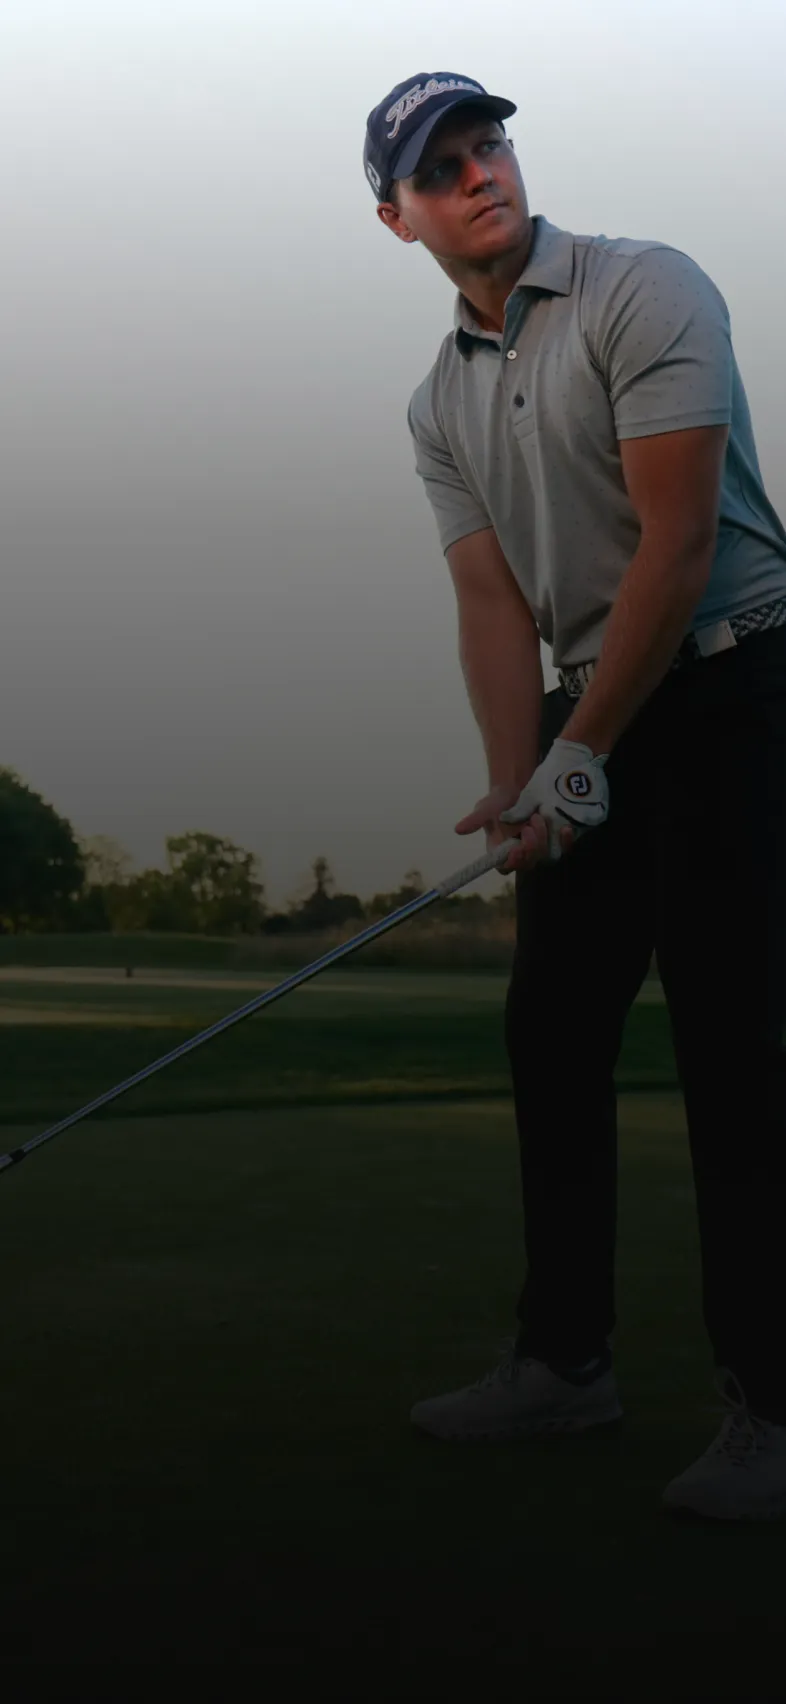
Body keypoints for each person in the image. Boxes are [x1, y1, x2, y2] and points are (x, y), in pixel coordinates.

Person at [363, 72, 786, 1521]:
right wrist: (516, 777)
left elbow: (677, 544)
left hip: (736, 688)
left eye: (488, 144)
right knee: (550, 1030)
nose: (479, 173)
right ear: (397, 218)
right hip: (596, 708)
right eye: (441, 168)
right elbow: (492, 604)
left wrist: (576, 750)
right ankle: (564, 1364)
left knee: (734, 1048)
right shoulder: (437, 402)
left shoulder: (641, 287)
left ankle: (773, 1409)